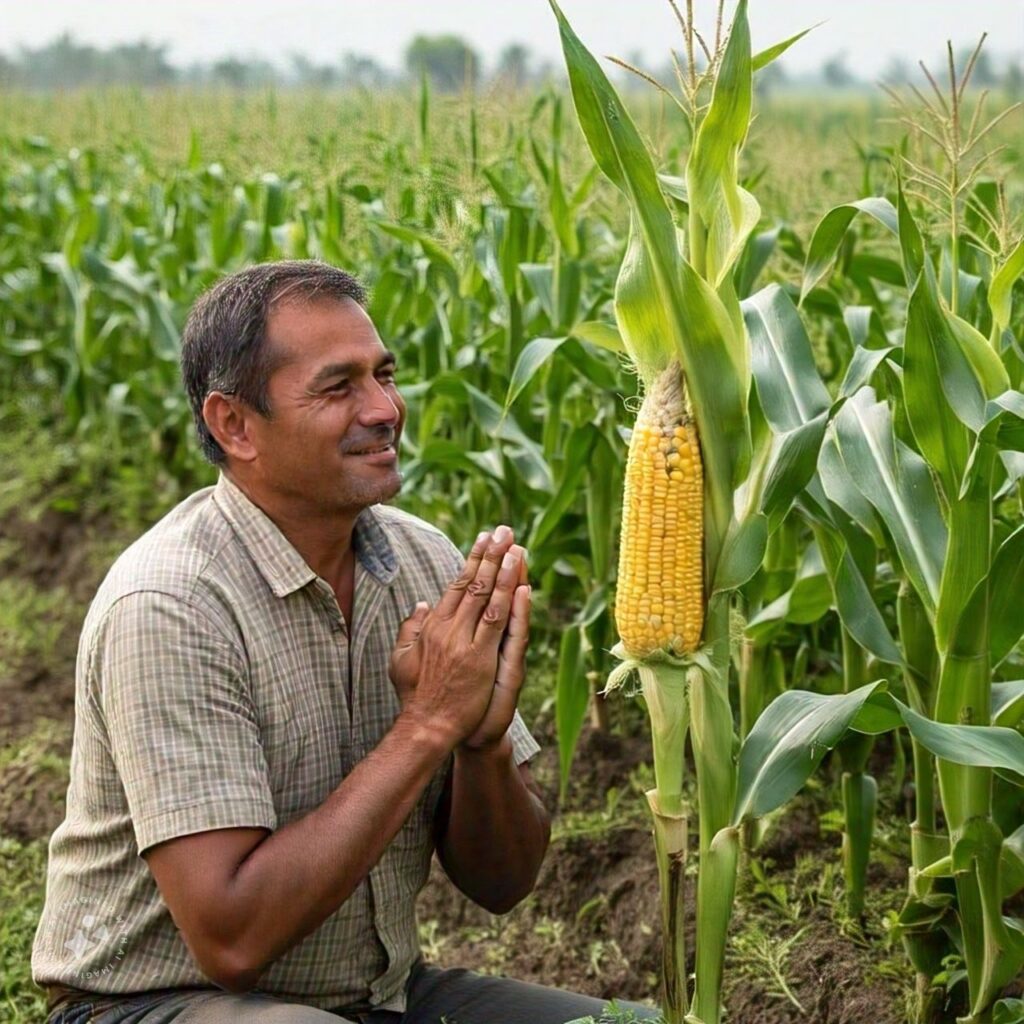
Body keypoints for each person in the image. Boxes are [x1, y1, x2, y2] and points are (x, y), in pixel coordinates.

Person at [31, 261, 658, 1024]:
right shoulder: (171, 604)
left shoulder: (423, 562)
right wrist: (427, 723)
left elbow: (503, 886)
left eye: (384, 375)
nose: (385, 408)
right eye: (339, 387)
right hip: (151, 1003)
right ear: (234, 424)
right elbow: (233, 941)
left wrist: (479, 743)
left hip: (375, 1002)